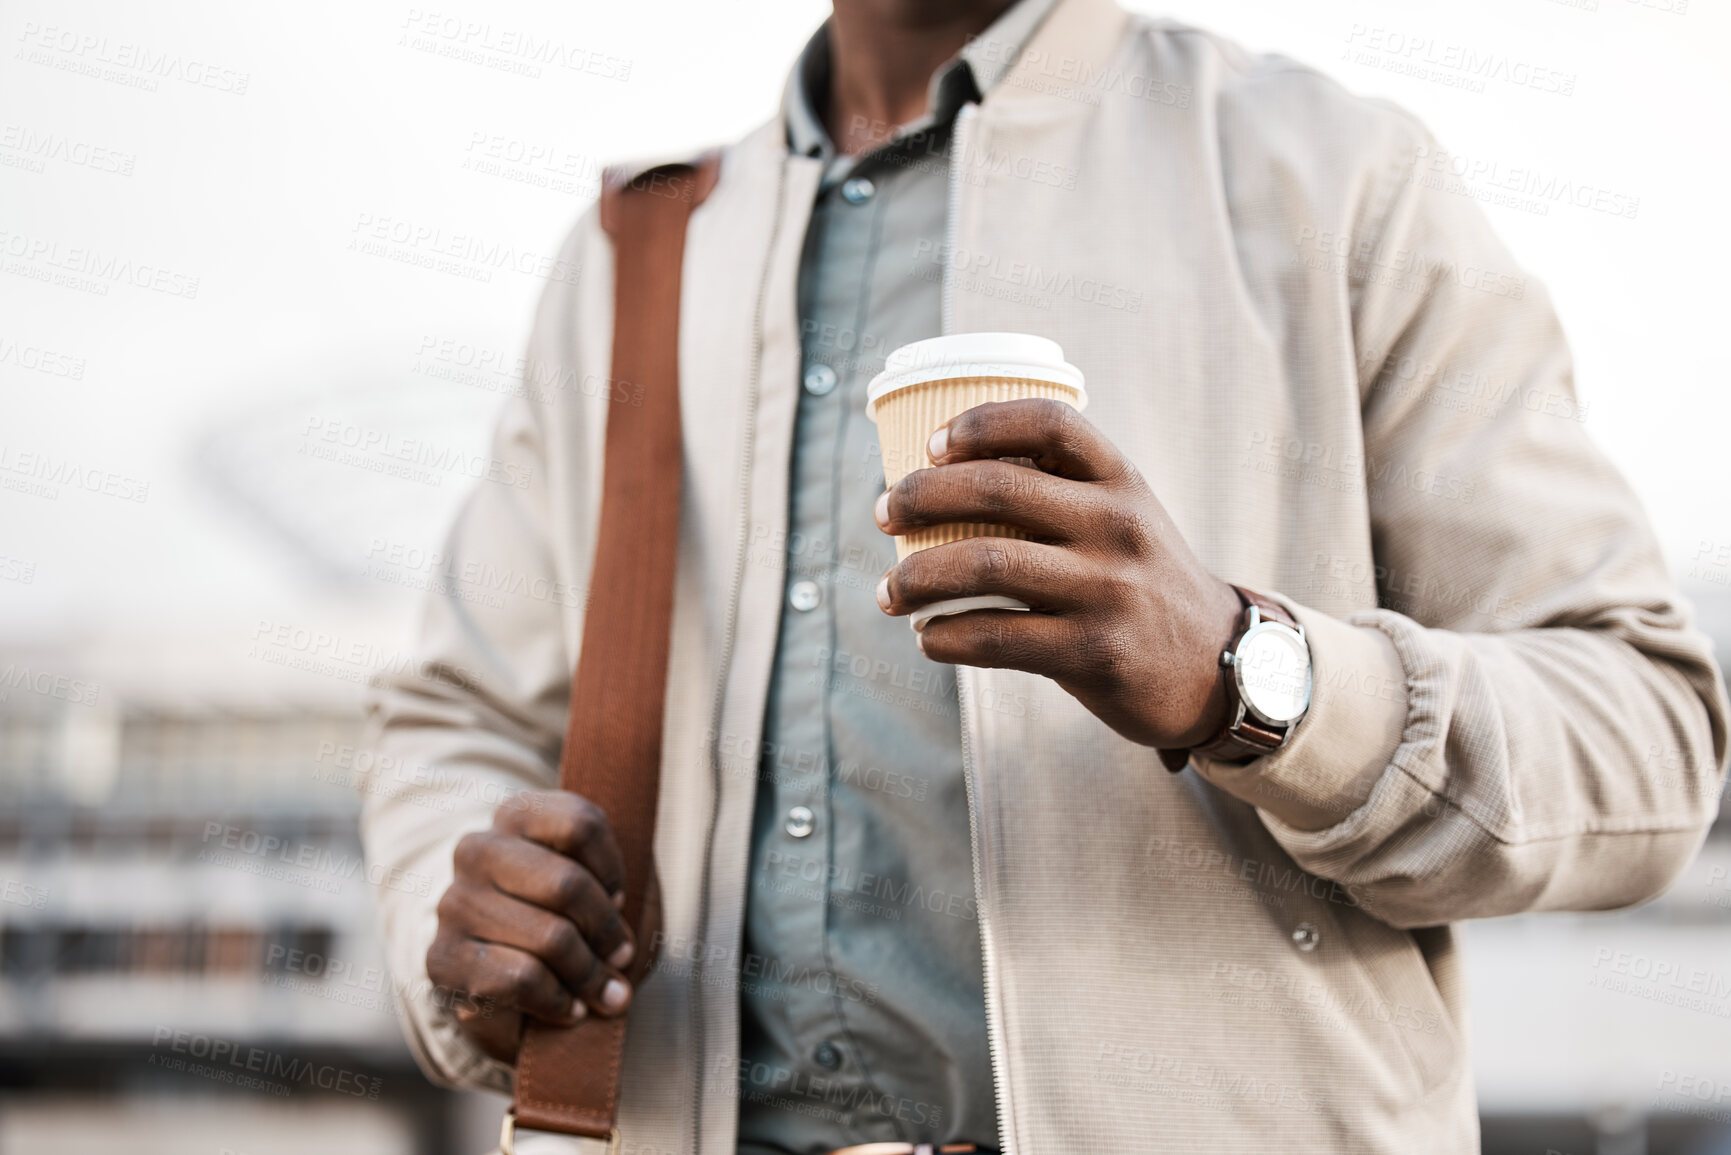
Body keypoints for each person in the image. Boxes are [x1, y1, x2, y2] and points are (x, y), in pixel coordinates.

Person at [360, 0, 1730, 1151]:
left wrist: (1245, 674)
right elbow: (454, 715)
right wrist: (467, 911)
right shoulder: (635, 256)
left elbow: (1653, 733)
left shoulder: (1336, 179)